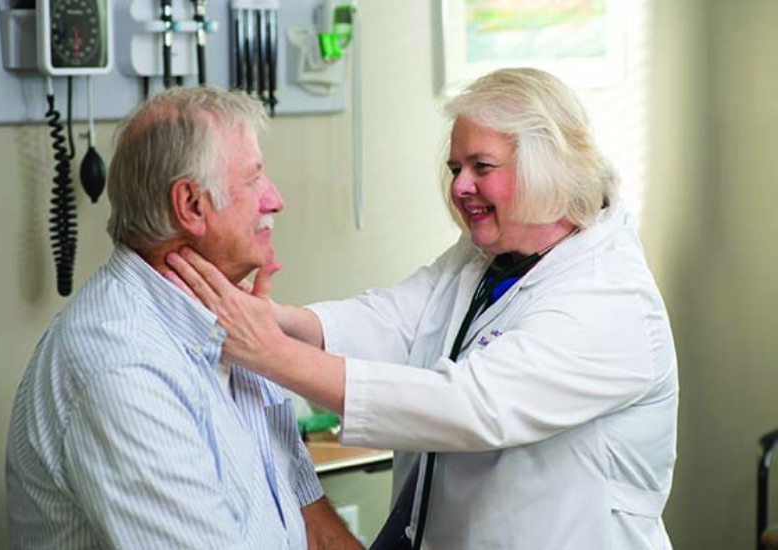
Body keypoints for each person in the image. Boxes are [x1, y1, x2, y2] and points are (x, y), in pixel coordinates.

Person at [165, 68, 679, 549]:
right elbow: (396, 319)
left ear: (546, 167)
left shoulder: (609, 301)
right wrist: (271, 319)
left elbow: (470, 406)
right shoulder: (494, 256)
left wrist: (271, 353)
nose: (460, 186)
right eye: (456, 167)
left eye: (482, 167)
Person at [5, 87, 361, 549]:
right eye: (254, 180)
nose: (275, 200)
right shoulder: (123, 370)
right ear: (191, 205)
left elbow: (309, 519)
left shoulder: (233, 324)